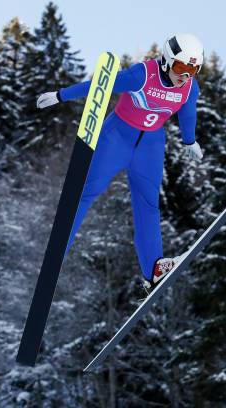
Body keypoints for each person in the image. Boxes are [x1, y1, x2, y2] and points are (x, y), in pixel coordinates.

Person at [36, 33, 204, 291]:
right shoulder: (142, 74)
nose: (186, 75)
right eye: (182, 67)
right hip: (117, 137)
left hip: (151, 146)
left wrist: (189, 141)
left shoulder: (190, 87)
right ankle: (58, 249)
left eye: (193, 69)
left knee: (148, 205)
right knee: (86, 192)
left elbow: (188, 111)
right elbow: (101, 85)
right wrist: (61, 95)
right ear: (167, 61)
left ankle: (154, 270)